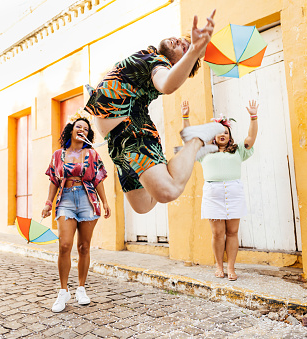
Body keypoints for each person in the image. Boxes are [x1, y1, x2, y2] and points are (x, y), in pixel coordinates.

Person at [84, 9, 225, 214]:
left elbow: (167, 84)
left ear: (176, 65)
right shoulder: (149, 55)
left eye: (184, 47)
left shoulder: (158, 63)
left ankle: (195, 142)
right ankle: (183, 159)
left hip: (133, 133)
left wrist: (194, 52)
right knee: (143, 206)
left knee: (167, 191)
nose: (179, 41)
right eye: (180, 40)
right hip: (117, 144)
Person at [42, 109, 111, 313]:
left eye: (86, 128)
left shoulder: (92, 154)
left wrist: (105, 202)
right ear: (71, 130)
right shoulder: (58, 155)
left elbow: (98, 179)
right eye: (78, 126)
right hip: (66, 200)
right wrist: (48, 202)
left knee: (84, 247)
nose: (82, 129)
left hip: (87, 199)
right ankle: (63, 291)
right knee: (64, 245)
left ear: (88, 135)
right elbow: (54, 180)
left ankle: (81, 288)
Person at [182, 100, 258, 281]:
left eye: (225, 132)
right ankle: (219, 265)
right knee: (217, 233)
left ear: (230, 136)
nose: (222, 134)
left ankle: (231, 267)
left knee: (232, 232)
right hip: (213, 194)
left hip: (234, 193)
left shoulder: (238, 150)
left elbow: (251, 138)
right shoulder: (204, 151)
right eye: (218, 132)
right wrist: (185, 116)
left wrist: (253, 117)